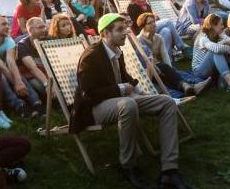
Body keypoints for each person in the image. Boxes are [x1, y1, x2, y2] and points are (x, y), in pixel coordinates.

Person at [71, 13, 193, 189]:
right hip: (94, 108)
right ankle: (128, 165)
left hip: (119, 100)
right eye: (120, 29)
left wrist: (138, 90)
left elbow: (123, 76)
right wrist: (120, 89)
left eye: (126, 28)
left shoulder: (116, 50)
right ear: (105, 33)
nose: (125, 33)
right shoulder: (91, 57)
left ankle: (169, 170)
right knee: (129, 104)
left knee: (166, 101)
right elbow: (87, 94)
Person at [0, 15, 42, 117]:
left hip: (5, 69)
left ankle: (36, 102)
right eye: (3, 24)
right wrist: (16, 83)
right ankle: (20, 106)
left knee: (17, 75)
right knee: (2, 76)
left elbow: (11, 61)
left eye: (8, 24)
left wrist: (18, 81)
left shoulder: (9, 40)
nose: (7, 27)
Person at [135, 12, 209, 96]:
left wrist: (170, 69)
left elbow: (165, 56)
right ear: (143, 26)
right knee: (165, 70)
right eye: (149, 23)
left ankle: (189, 87)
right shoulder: (139, 40)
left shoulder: (158, 38)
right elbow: (145, 62)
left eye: (154, 21)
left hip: (159, 68)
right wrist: (164, 69)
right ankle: (192, 85)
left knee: (170, 71)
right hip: (147, 71)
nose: (153, 24)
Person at [191, 14, 230, 95]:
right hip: (199, 71)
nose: (223, 26)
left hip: (212, 68)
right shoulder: (202, 38)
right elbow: (216, 48)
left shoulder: (219, 35)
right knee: (215, 52)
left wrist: (229, 42)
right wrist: (227, 47)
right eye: (221, 24)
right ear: (213, 26)